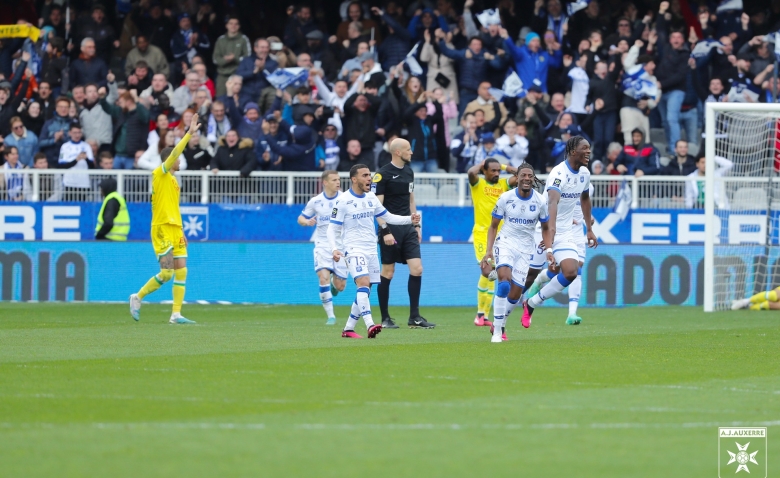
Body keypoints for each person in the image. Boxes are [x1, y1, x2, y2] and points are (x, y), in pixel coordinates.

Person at [327, 164, 421, 338]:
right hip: (353, 249)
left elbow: (388, 217)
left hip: (371, 248)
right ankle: (370, 325)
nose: (369, 178)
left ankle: (348, 329)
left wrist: (410, 219)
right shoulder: (342, 201)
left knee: (366, 288)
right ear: (354, 179)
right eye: (364, 175)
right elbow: (332, 229)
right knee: (363, 282)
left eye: (369, 175)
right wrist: (334, 248)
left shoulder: (371, 198)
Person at [129, 114, 202, 325]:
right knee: (167, 272)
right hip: (161, 228)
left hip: (175, 229)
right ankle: (138, 296)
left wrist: (182, 230)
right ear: (170, 159)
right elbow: (175, 153)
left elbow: (174, 207)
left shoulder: (173, 181)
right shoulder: (159, 174)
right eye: (177, 159)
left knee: (182, 270)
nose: (180, 161)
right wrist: (189, 134)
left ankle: (176, 314)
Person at [523, 136, 597, 326]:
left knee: (571, 271)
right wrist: (551, 231)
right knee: (530, 274)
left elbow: (585, 199)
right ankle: (504, 310)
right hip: (546, 228)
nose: (589, 151)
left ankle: (532, 303)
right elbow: (552, 202)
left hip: (565, 232)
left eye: (589, 148)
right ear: (573, 151)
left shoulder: (584, 174)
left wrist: (588, 228)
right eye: (584, 148)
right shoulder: (558, 173)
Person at [373, 138, 434, 330]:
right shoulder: (382, 175)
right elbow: (377, 208)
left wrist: (417, 226)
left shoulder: (409, 171)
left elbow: (411, 200)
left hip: (408, 227)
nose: (411, 152)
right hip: (390, 228)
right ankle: (385, 318)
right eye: (408, 150)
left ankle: (414, 317)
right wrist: (385, 231)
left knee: (417, 269)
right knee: (388, 273)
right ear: (398, 152)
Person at [484, 163, 548, 342]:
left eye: (530, 176)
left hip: (526, 249)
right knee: (504, 283)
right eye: (523, 175)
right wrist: (489, 251)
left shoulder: (540, 201)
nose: (527, 178)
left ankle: (501, 323)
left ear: (533, 179)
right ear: (517, 178)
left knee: (515, 293)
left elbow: (546, 227)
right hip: (505, 243)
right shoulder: (505, 198)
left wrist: (549, 249)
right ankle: (497, 332)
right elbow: (493, 226)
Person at [468, 158, 519, 327]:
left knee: (494, 275)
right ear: (485, 171)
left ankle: (482, 315)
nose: (497, 173)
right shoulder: (478, 184)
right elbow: (470, 173)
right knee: (487, 271)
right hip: (482, 234)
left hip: (501, 236)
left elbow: (521, 175)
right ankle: (480, 314)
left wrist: (504, 166)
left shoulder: (504, 185)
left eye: (499, 171)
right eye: (493, 170)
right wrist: (481, 165)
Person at [297, 170, 348, 325]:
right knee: (323, 277)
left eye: (339, 180)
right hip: (322, 245)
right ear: (325, 182)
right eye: (334, 180)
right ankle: (331, 316)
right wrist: (306, 222)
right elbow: (300, 218)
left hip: (340, 245)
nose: (338, 182)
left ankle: (335, 284)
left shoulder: (345, 198)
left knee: (340, 287)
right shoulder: (316, 201)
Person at [212, 16, 251, 96]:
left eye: (236, 24)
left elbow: (248, 58)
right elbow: (215, 59)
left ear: (239, 26)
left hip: (237, 74)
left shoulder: (243, 39)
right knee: (220, 98)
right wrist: (225, 60)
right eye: (231, 24)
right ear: (226, 25)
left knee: (238, 98)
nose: (233, 26)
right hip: (222, 75)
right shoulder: (220, 39)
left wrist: (235, 59)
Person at [57, 123, 95, 201]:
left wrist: (86, 159)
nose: (77, 135)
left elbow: (92, 166)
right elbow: (62, 166)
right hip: (69, 183)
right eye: (75, 133)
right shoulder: (65, 147)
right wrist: (76, 160)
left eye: (79, 133)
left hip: (83, 183)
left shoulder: (87, 146)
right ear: (70, 133)